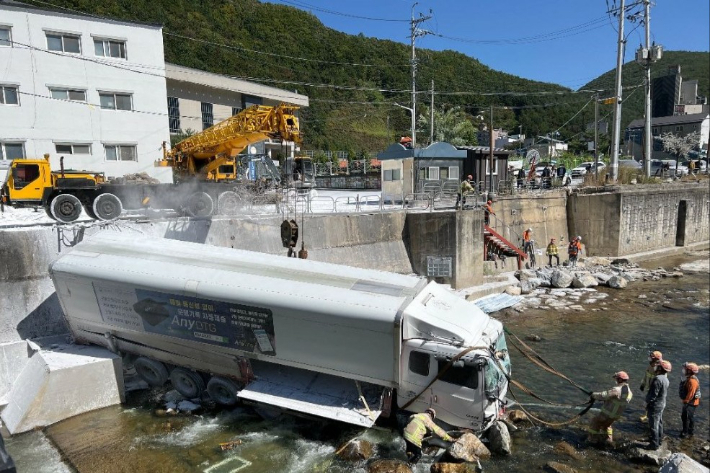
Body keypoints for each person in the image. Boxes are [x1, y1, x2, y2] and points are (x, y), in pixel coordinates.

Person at [587, 371, 633, 445]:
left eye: (617, 379)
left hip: (606, 414)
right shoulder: (629, 392)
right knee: (606, 426)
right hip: (615, 416)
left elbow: (603, 395)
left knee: (595, 422)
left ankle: (592, 440)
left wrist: (592, 394)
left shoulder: (617, 390)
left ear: (620, 380)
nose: (616, 380)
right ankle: (609, 441)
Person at [646, 360, 671, 450]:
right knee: (659, 422)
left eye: (658, 365)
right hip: (662, 403)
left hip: (655, 404)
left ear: (660, 368)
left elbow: (653, 394)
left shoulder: (657, 379)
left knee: (653, 424)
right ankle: (659, 440)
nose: (656, 366)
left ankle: (654, 444)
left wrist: (648, 401)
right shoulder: (665, 378)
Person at [639, 350, 663, 422]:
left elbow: (661, 382)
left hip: (654, 389)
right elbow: (646, 375)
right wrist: (643, 384)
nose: (649, 359)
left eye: (651, 358)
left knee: (652, 403)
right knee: (647, 401)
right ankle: (646, 415)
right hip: (649, 387)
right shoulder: (650, 366)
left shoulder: (660, 369)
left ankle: (649, 417)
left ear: (656, 359)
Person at [679, 362, 701, 438]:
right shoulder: (689, 378)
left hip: (691, 403)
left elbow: (691, 394)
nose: (684, 370)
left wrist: (686, 401)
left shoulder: (692, 381)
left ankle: (687, 432)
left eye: (686, 369)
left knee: (688, 417)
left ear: (689, 371)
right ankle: (687, 431)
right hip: (689, 402)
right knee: (685, 416)